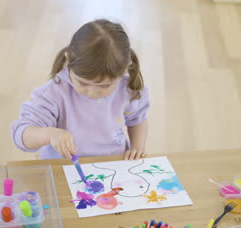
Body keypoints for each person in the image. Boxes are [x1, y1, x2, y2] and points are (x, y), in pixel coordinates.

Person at [11, 19, 149, 160]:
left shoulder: (128, 89)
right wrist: (50, 135)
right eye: (83, 83)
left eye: (105, 85)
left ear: (126, 67)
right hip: (64, 168)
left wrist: (137, 148)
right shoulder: (54, 93)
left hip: (112, 163)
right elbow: (21, 134)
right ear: (69, 61)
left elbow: (137, 120)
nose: (92, 93)